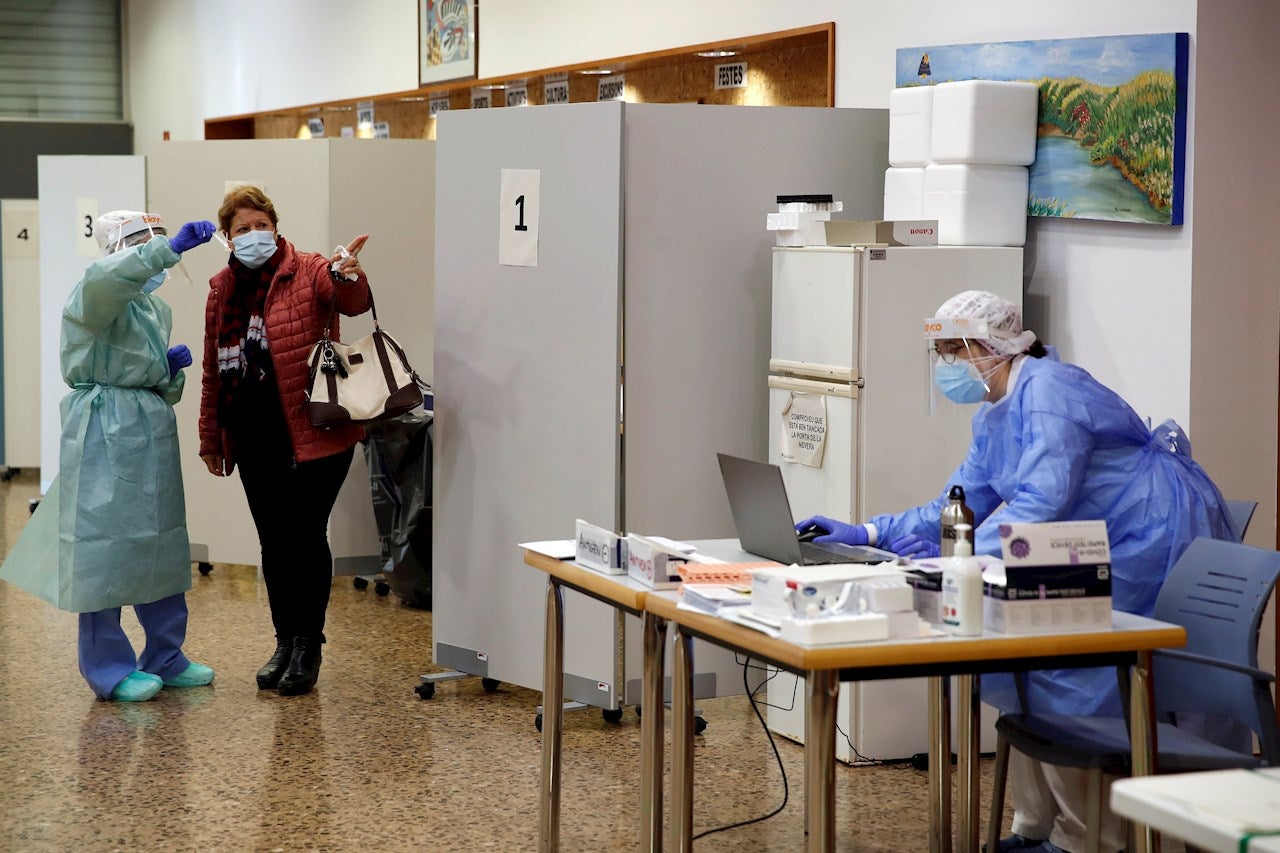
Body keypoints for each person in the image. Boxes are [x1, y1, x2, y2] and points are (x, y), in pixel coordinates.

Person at [796, 290, 1234, 853]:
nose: (945, 365)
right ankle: (1035, 825)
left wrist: (977, 561)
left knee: (1067, 666)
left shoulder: (1049, 392)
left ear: (989, 347)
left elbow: (1044, 499)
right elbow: (960, 501)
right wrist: (871, 533)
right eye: (940, 352)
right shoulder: (995, 412)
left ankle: (1085, 839)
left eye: (954, 350)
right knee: (1018, 662)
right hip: (1080, 539)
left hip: (1142, 532)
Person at [0, 210, 218, 702]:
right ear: (124, 246)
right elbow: (109, 281)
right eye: (147, 243)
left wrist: (167, 371)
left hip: (148, 425)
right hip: (102, 426)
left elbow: (159, 384)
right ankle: (109, 668)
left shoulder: (153, 309)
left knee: (160, 542)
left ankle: (165, 654)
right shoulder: (94, 291)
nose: (157, 252)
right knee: (103, 547)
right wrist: (168, 249)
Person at [197, 185, 371, 697]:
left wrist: (348, 274)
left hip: (316, 429)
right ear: (228, 239)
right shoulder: (221, 290)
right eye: (241, 229)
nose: (254, 236)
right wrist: (212, 437)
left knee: (304, 533)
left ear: (275, 225)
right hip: (254, 434)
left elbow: (350, 301)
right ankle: (283, 640)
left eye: (260, 225)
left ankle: (308, 645)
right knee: (274, 539)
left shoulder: (309, 267)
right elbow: (213, 368)